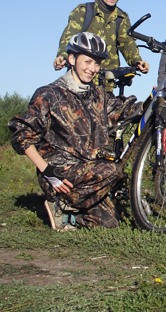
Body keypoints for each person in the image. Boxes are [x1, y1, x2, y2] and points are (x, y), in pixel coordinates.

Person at [10, 33, 135, 231]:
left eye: (97, 63)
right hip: (59, 173)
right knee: (113, 169)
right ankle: (59, 203)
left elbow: (126, 110)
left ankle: (68, 217)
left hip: (89, 175)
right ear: (71, 59)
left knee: (109, 224)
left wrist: (155, 100)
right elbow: (22, 135)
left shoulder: (99, 95)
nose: (93, 69)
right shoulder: (48, 94)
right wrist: (47, 171)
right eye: (88, 62)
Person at [54, 0, 149, 89]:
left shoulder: (121, 18)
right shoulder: (84, 11)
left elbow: (127, 43)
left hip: (106, 82)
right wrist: (62, 56)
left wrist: (137, 61)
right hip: (80, 79)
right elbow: (69, 36)